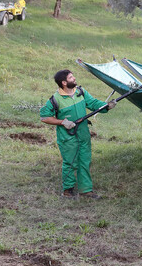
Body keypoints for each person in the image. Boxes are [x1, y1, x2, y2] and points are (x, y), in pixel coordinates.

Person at [40, 69, 116, 199]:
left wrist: (106, 106)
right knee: (70, 162)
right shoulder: (55, 99)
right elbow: (44, 117)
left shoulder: (81, 92)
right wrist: (62, 122)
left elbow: (93, 103)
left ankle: (86, 190)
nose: (74, 78)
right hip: (67, 137)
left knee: (84, 161)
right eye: (71, 77)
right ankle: (67, 190)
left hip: (83, 133)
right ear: (64, 82)